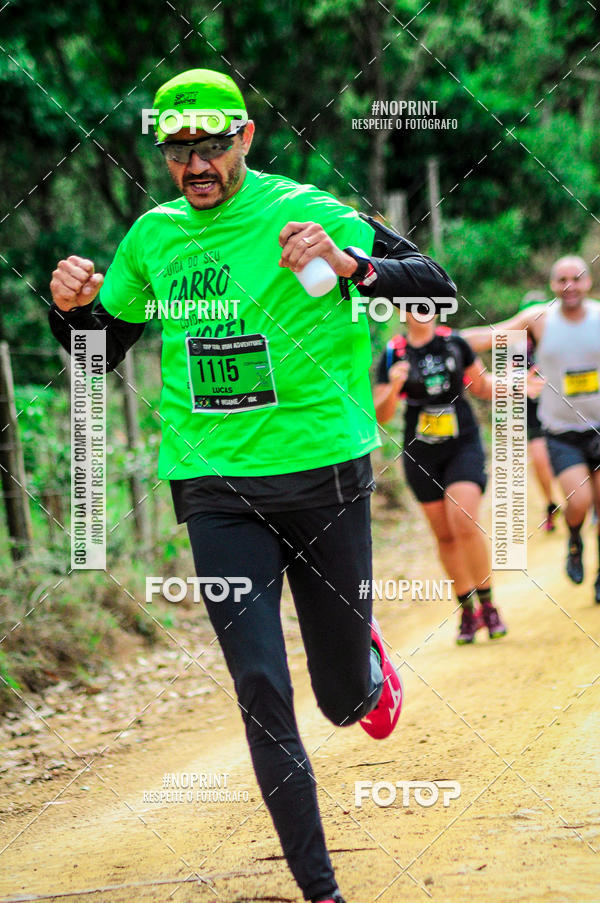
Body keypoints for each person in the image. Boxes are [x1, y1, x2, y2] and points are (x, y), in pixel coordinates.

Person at [47, 69, 457, 903]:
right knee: (262, 687)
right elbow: (99, 353)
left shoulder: (308, 209)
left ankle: (366, 673)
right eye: (179, 151)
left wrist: (351, 265)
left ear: (246, 139)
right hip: (210, 485)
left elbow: (439, 289)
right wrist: (69, 312)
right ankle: (321, 889)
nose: (196, 164)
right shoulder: (152, 238)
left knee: (340, 701)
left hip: (323, 473)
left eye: (212, 146)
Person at [462, 256, 600, 604]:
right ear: (553, 284)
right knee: (579, 500)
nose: (569, 286)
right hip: (561, 430)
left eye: (577, 279)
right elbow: (493, 335)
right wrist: (441, 338)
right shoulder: (540, 319)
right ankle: (573, 537)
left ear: (589, 282)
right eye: (562, 280)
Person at [374, 310, 508, 645]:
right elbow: (382, 413)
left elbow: (481, 386)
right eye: (414, 305)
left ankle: (489, 604)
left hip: (462, 444)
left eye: (428, 304)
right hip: (421, 453)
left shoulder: (455, 343)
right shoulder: (393, 353)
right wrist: (394, 385)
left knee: (463, 521)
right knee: (446, 536)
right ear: (403, 312)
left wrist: (517, 385)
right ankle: (467, 610)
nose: (422, 311)